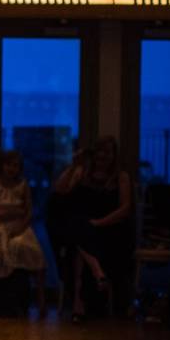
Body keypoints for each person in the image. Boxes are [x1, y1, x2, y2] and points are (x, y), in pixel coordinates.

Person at [54, 136, 133, 323]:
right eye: (99, 151)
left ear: (114, 155)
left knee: (78, 235)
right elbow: (60, 189)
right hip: (84, 228)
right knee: (76, 226)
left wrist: (100, 223)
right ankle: (98, 272)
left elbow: (125, 209)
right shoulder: (82, 173)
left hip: (109, 229)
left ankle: (78, 306)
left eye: (107, 151)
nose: (102, 156)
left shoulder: (121, 177)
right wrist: (74, 165)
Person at [0, 150, 46, 317]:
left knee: (31, 250)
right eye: (8, 165)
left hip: (20, 227)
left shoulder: (23, 185)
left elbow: (28, 212)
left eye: (15, 165)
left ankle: (40, 300)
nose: (11, 169)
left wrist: (20, 225)